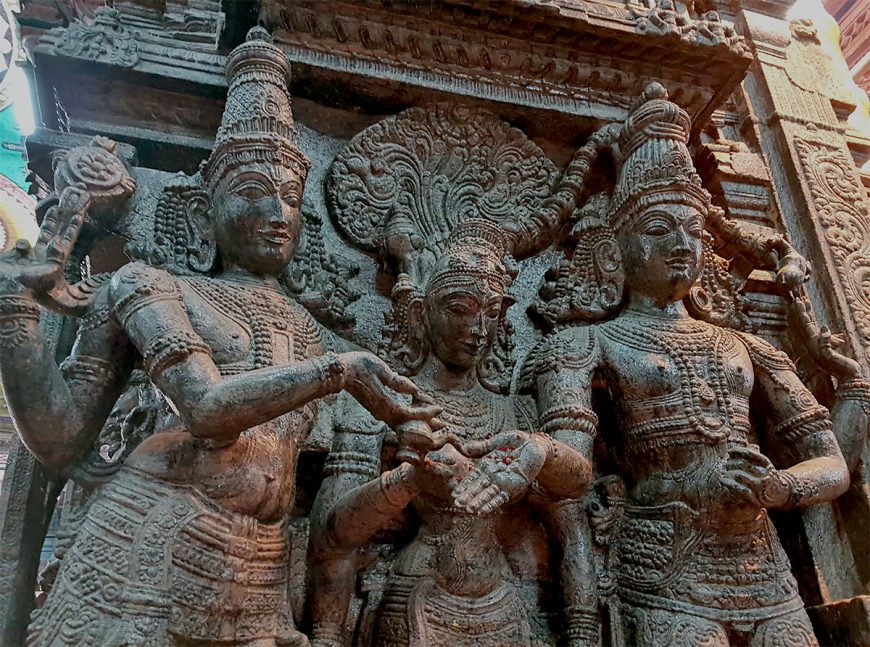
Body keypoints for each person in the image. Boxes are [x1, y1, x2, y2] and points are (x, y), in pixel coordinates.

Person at [0, 28, 437, 647]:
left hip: (259, 568)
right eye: (253, 194)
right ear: (205, 214)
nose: (277, 215)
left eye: (290, 199)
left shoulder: (315, 333)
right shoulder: (151, 287)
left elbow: (334, 523)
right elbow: (91, 430)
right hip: (147, 542)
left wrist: (411, 471)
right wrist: (17, 315)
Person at [520, 83, 866, 646]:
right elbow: (574, 475)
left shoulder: (749, 348)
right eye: (658, 230)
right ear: (614, 251)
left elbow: (833, 466)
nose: (681, 242)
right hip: (663, 565)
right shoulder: (584, 345)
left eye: (691, 230)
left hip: (767, 571)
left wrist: (779, 487)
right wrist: (538, 451)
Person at [308, 219, 591, 646]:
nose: (478, 328)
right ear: (421, 313)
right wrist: (404, 482)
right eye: (459, 308)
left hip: (505, 603)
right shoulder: (378, 405)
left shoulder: (516, 413)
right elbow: (333, 536)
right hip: (415, 598)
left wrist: (583, 631)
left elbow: (571, 517)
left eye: (491, 312)